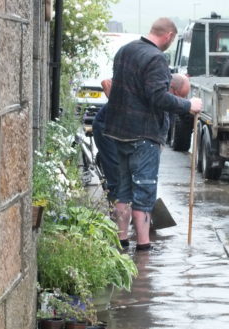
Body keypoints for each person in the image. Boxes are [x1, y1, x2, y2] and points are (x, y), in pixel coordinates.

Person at [104, 18, 202, 250]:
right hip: (143, 135)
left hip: (119, 132)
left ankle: (122, 242)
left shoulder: (124, 51)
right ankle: (144, 249)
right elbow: (158, 96)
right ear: (168, 36)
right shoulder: (156, 58)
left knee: (123, 191)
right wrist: (188, 105)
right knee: (144, 193)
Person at [93, 74, 191, 204]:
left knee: (137, 176)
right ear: (171, 88)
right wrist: (120, 108)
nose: (180, 100)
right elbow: (106, 83)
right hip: (107, 127)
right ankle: (115, 217)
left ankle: (132, 212)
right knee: (118, 178)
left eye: (184, 98)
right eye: (180, 96)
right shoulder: (148, 83)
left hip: (131, 134)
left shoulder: (163, 99)